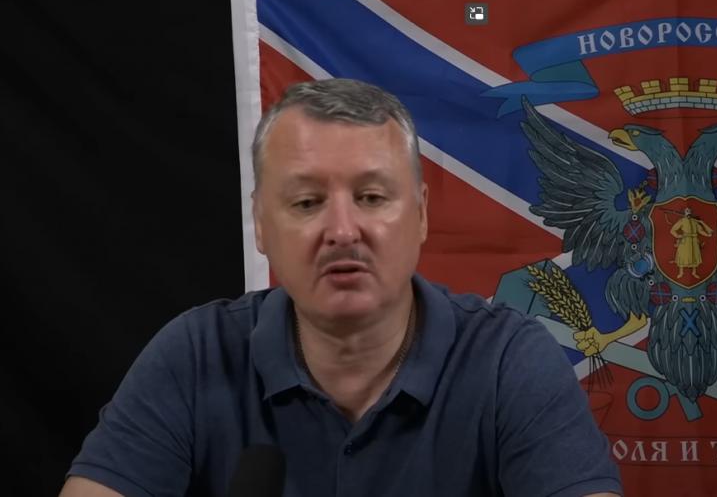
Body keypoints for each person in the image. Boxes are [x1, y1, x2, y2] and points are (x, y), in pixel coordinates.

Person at [60, 79, 622, 497]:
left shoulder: (509, 361)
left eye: (372, 198)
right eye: (307, 202)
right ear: (261, 224)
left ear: (421, 214)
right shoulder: (195, 355)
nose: (343, 231)